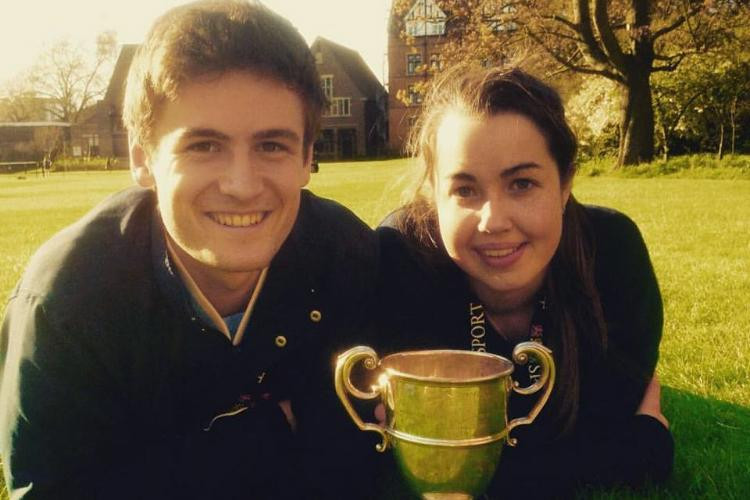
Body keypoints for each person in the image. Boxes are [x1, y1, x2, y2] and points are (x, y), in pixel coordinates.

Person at [0, 1, 380, 498]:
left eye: (272, 146)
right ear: (143, 159)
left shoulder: (347, 255)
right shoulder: (67, 303)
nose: (242, 185)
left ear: (308, 158)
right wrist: (267, 433)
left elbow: (363, 459)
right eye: (204, 146)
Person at [376, 65, 674, 498]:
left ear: (565, 184)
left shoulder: (612, 253)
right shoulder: (399, 258)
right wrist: (642, 440)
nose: (493, 221)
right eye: (465, 190)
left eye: (522, 183)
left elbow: (607, 420)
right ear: (434, 194)